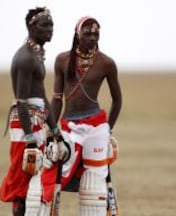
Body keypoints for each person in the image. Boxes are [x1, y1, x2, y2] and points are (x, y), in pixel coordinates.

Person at [41, 16, 122, 215]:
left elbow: (117, 100)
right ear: (77, 35)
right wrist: (52, 130)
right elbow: (57, 99)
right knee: (52, 169)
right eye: (88, 33)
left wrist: (108, 129)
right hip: (69, 127)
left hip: (96, 127)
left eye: (96, 34)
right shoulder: (62, 60)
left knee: (94, 183)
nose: (92, 37)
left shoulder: (106, 63)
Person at [0, 7, 70, 216]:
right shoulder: (26, 58)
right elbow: (21, 101)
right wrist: (30, 139)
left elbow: (41, 98)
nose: (50, 30)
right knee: (23, 177)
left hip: (35, 118)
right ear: (31, 27)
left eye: (52, 25)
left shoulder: (36, 55)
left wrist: (55, 132)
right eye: (45, 25)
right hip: (24, 123)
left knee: (34, 178)